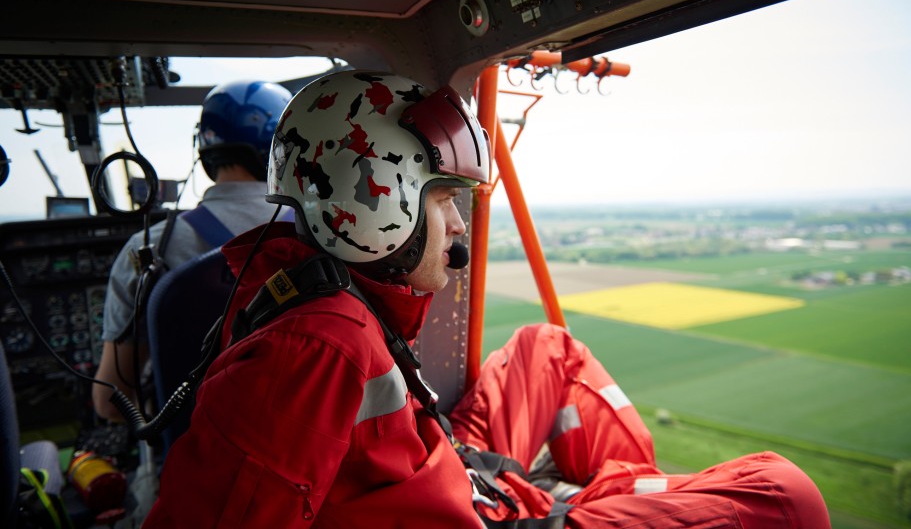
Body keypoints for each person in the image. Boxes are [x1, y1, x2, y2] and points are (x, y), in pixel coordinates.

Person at [144, 70, 830, 528]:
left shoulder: (328, 300)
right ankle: (618, 496)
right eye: (442, 198)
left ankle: (625, 489)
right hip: (484, 514)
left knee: (544, 345)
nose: (457, 227)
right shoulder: (314, 345)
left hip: (461, 476)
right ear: (371, 200)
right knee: (784, 492)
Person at [92, 80, 293, 422]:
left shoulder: (150, 248)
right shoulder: (330, 235)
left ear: (205, 150)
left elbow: (110, 399)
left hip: (197, 460)